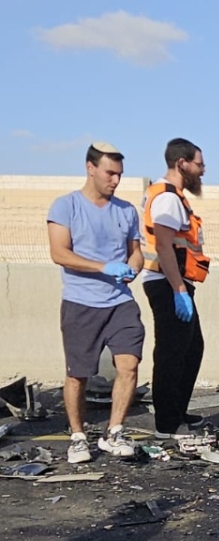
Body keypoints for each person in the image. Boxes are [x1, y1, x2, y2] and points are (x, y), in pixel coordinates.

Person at [45, 142, 144, 463]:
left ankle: (115, 431)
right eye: (110, 173)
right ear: (90, 168)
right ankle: (77, 436)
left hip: (120, 302)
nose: (116, 180)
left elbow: (136, 252)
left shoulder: (127, 210)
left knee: (129, 365)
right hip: (81, 302)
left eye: (120, 174)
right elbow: (59, 253)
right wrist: (103, 267)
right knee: (78, 374)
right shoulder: (66, 206)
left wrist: (133, 268)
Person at [140, 137, 208, 439]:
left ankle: (177, 412)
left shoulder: (173, 196)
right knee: (171, 353)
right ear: (182, 163)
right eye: (199, 164)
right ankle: (167, 424)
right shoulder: (167, 199)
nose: (203, 170)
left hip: (173, 283)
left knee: (191, 349)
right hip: (167, 283)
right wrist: (179, 289)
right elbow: (164, 247)